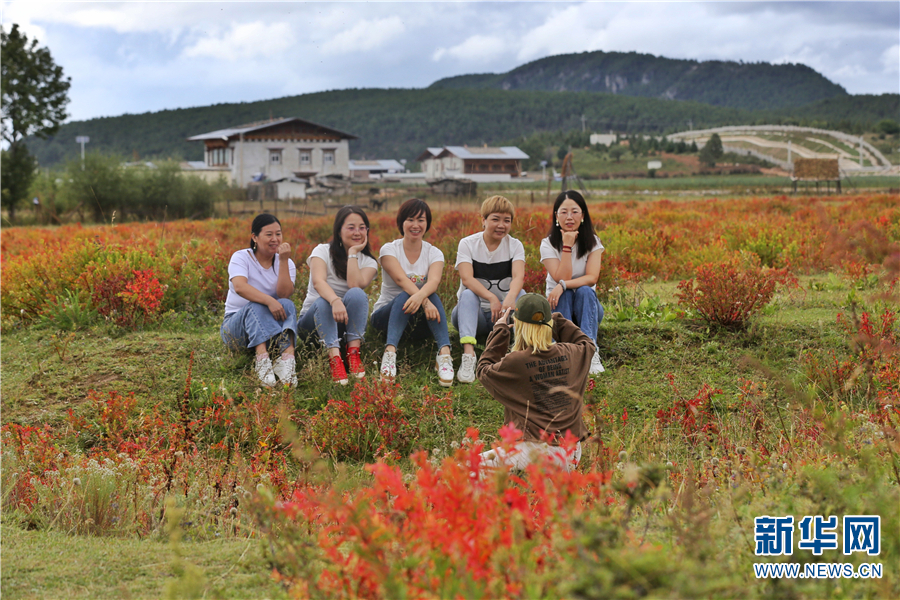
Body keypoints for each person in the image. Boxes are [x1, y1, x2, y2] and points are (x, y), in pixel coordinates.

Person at [475, 294, 593, 471]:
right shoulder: (571, 353)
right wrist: (556, 320)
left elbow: (483, 370)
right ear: (548, 325)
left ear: (519, 326)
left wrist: (500, 331)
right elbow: (587, 344)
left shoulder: (517, 361)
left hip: (538, 452)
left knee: (467, 467)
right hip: (572, 454)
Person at [371, 198, 454, 386]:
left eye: (421, 220)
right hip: (385, 318)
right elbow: (401, 280)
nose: (415, 225)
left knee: (430, 292)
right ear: (401, 222)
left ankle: (444, 356)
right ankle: (389, 354)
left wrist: (423, 298)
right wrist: (424, 301)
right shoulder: (389, 250)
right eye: (410, 219)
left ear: (427, 224)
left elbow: (434, 282)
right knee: (408, 293)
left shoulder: (434, 253)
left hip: (417, 321)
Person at [297, 206, 378, 385]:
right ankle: (334, 358)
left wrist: (352, 253)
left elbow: (354, 285)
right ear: (339, 230)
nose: (357, 232)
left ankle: (353, 354)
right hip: (313, 324)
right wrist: (335, 300)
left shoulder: (369, 262)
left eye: (362, 227)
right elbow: (319, 282)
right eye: (351, 227)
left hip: (343, 326)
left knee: (357, 293)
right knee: (324, 301)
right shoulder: (322, 251)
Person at [451, 195, 526, 384]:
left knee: (522, 295)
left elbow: (518, 277)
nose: (501, 225)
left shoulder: (515, 245)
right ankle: (469, 356)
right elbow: (466, 278)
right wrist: (492, 298)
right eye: (495, 219)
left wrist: (509, 298)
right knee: (468, 294)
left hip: (503, 316)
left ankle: (521, 353)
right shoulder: (468, 244)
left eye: (507, 220)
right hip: (472, 315)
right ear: (483, 220)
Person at [221, 214, 298, 387]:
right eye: (269, 234)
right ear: (254, 237)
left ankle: (287, 360)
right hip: (236, 329)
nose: (275, 239)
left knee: (287, 304)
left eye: (278, 234)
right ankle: (262, 360)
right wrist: (269, 301)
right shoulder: (241, 257)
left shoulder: (287, 263)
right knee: (256, 305)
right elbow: (240, 287)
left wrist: (283, 261)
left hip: (269, 329)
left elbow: (284, 294)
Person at [540, 190, 606, 375]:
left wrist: (562, 285)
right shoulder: (548, 244)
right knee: (566, 294)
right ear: (556, 216)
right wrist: (567, 245)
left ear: (583, 215)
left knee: (584, 290)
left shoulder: (593, 242)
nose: (569, 217)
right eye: (564, 212)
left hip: (588, 309)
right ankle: (566, 352)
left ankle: (590, 352)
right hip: (559, 308)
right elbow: (562, 275)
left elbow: (592, 278)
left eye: (575, 211)